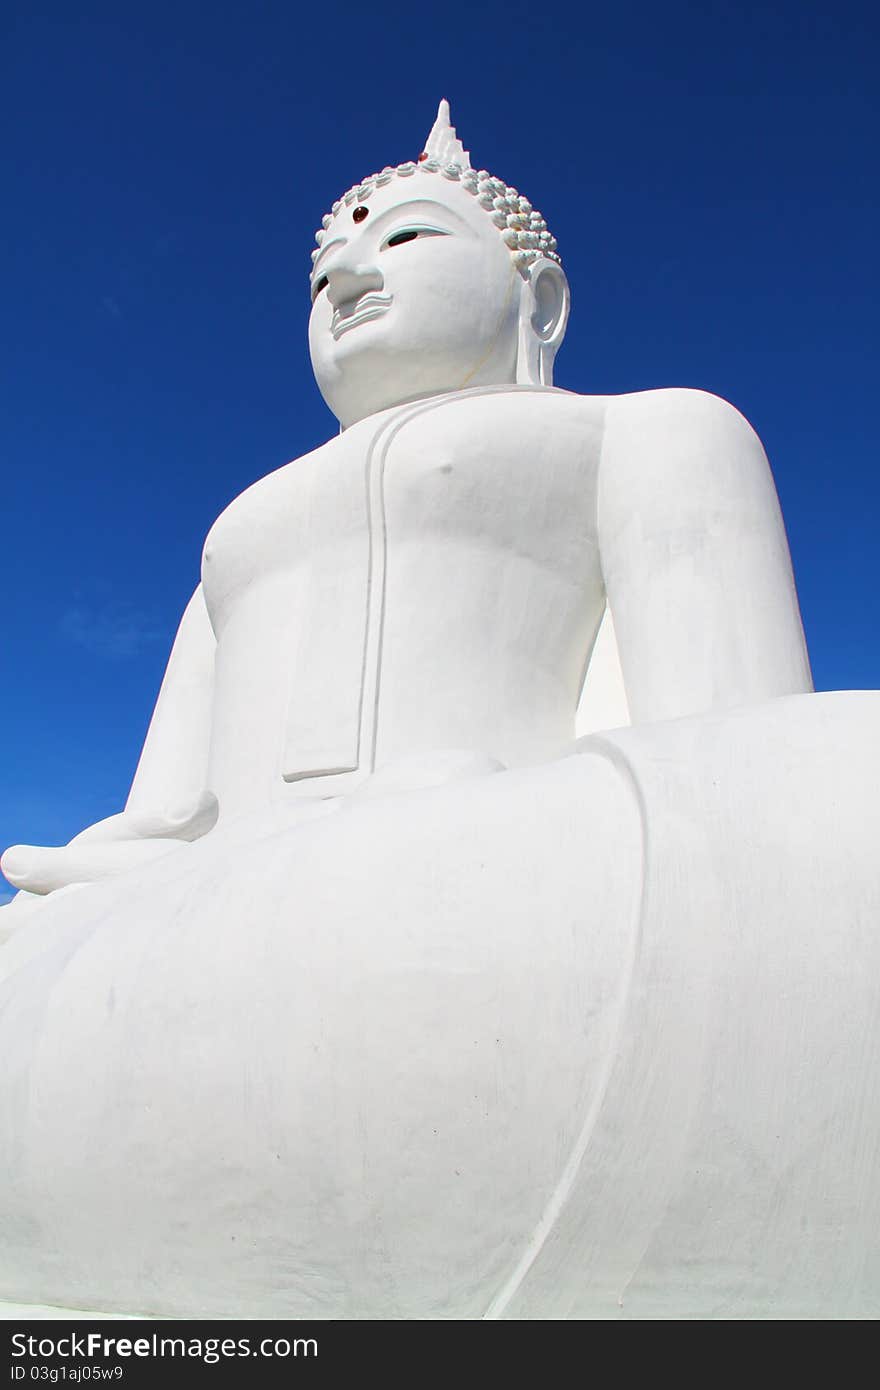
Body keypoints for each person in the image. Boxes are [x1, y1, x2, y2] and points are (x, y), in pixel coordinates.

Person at [0, 103, 876, 1321]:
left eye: (404, 239)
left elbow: (736, 764)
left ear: (543, 299)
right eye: (321, 270)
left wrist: (504, 816)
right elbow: (162, 815)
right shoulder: (232, 534)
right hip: (196, 920)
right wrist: (106, 866)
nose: (349, 272)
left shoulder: (649, 430)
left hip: (493, 887)